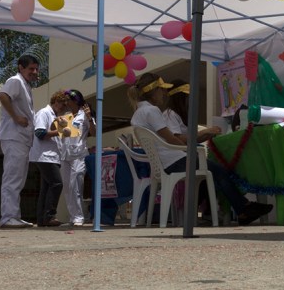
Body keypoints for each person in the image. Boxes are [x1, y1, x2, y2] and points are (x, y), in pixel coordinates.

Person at [128, 72, 272, 225]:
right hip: (174, 160)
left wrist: (200, 138)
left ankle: (238, 208)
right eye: (161, 89)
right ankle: (242, 209)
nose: (164, 93)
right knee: (219, 171)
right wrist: (194, 146)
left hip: (166, 162)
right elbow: (172, 140)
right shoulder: (152, 111)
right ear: (153, 91)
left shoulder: (138, 114)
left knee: (212, 172)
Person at [0, 54, 39, 229]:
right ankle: (8, 217)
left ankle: (14, 215)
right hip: (14, 136)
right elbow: (3, 95)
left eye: (36, 69)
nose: (34, 72)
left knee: (18, 178)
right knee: (13, 177)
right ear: (20, 67)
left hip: (21, 137)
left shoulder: (25, 85)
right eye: (31, 69)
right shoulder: (15, 81)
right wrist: (16, 117)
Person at [30, 90, 72, 227]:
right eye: (62, 104)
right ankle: (49, 216)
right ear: (56, 102)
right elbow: (40, 133)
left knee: (47, 187)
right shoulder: (44, 113)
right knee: (56, 183)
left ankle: (42, 219)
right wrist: (60, 131)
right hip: (44, 156)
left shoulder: (54, 116)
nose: (63, 108)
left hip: (50, 156)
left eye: (65, 106)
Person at [60, 89, 96, 226]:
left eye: (68, 100)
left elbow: (93, 132)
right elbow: (63, 134)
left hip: (79, 155)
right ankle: (72, 217)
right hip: (65, 154)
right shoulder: (66, 115)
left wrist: (89, 118)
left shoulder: (84, 115)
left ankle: (79, 217)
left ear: (75, 100)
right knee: (67, 187)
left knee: (75, 185)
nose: (66, 102)